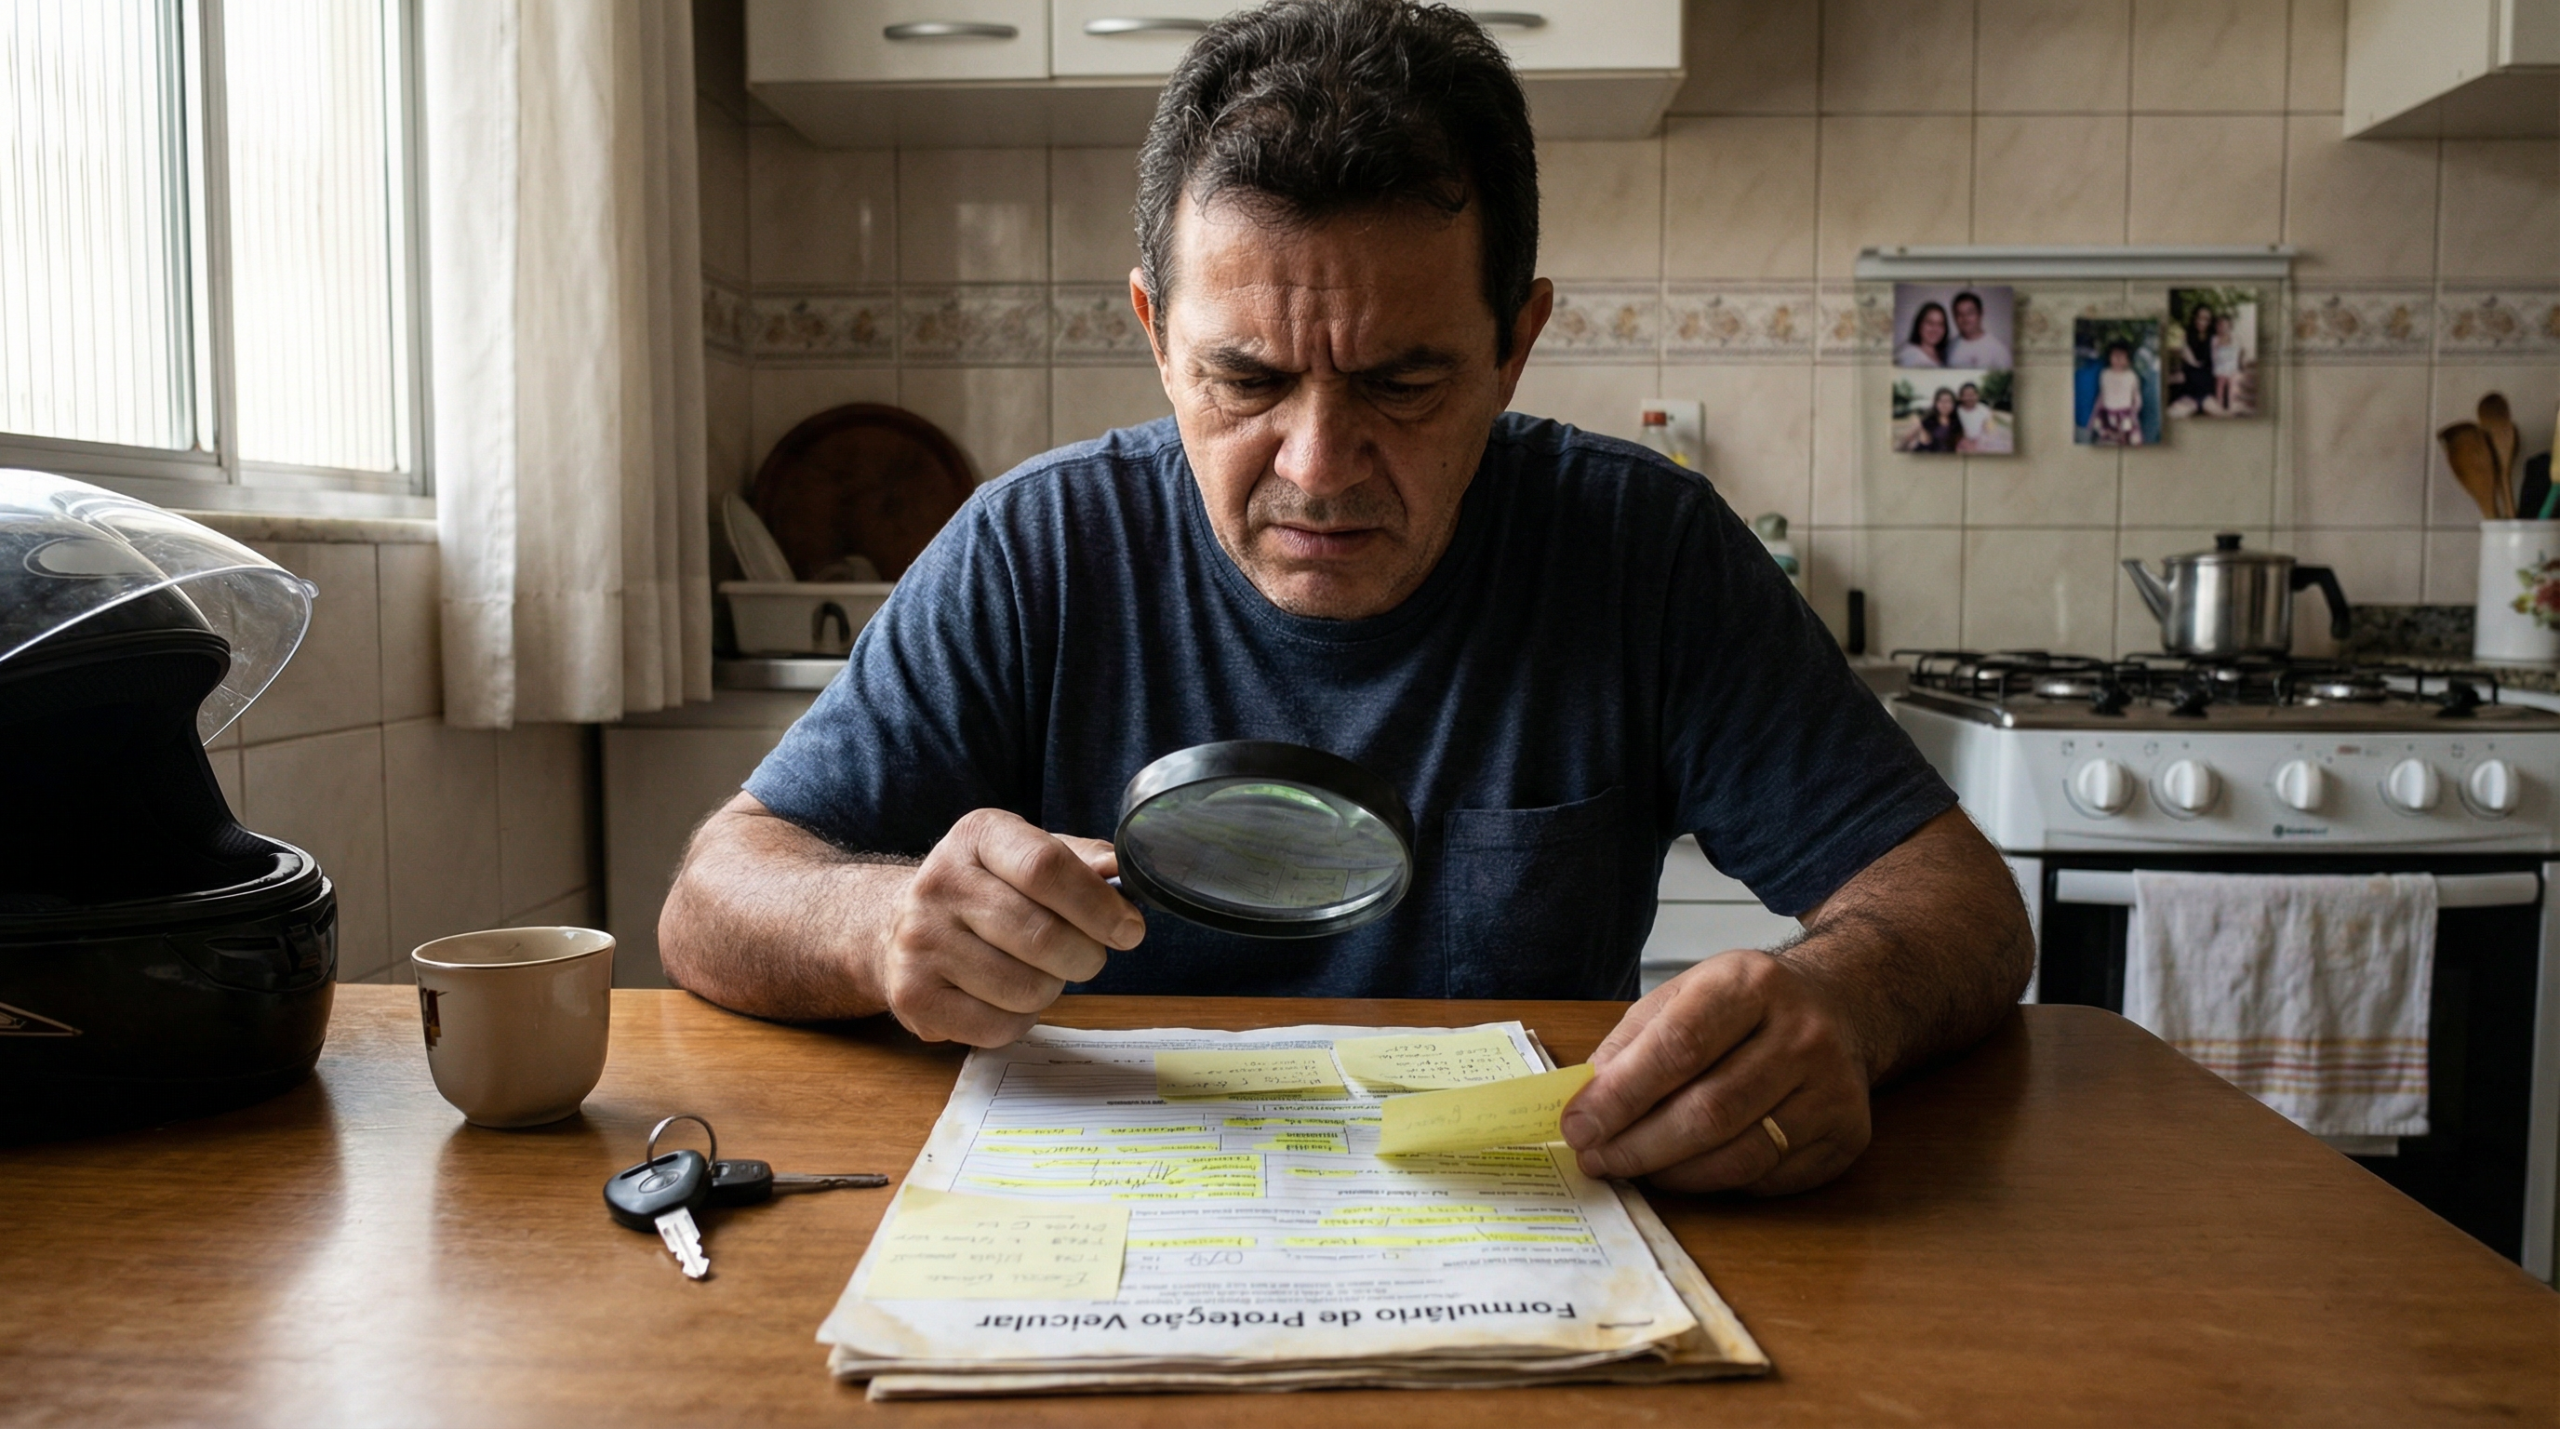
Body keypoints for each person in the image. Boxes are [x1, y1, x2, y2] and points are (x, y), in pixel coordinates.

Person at [659, 0, 2033, 1199]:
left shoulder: (1641, 550)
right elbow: (716, 896)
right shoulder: (1038, 546)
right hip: (1105, 1240)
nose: (1315, 469)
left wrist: (1835, 1005)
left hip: (1520, 1246)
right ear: (1154, 334)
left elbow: (1960, 909)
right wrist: (880, 922)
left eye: (1403, 383)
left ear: (1515, 346)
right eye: (1245, 380)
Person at [2091, 341, 2144, 445]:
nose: (2118, 359)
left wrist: (2134, 414)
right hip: (2107, 415)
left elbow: (2136, 397)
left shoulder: (2131, 376)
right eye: (2115, 355)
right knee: (2107, 444)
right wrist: (2095, 416)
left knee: (2128, 443)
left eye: (2122, 356)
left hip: (2126, 416)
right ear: (2109, 357)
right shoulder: (2105, 374)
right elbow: (2102, 395)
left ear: (2128, 360)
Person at [1944, 290, 2011, 368]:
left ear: (1981, 313)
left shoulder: (1999, 351)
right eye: (1959, 314)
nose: (1965, 318)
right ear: (1954, 317)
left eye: (1970, 313)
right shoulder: (1949, 347)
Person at [1899, 387, 1960, 452]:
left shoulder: (1958, 422)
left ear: (1953, 404)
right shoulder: (1926, 421)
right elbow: (1905, 440)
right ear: (1936, 403)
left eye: (1948, 401)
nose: (1944, 404)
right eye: (1941, 401)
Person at [1897, 302, 1949, 368]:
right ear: (1919, 325)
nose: (1935, 329)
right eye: (1930, 322)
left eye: (1940, 324)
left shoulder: (1946, 354)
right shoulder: (1907, 355)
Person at [2211, 313, 2242, 414]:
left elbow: (2236, 353)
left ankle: (2232, 407)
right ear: (2217, 327)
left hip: (2232, 367)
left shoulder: (2234, 338)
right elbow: (2214, 356)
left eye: (2225, 326)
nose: (2223, 328)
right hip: (2220, 367)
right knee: (2219, 387)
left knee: (2233, 386)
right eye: (2220, 325)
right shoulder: (2215, 339)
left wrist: (2235, 368)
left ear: (2229, 326)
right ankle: (2219, 407)